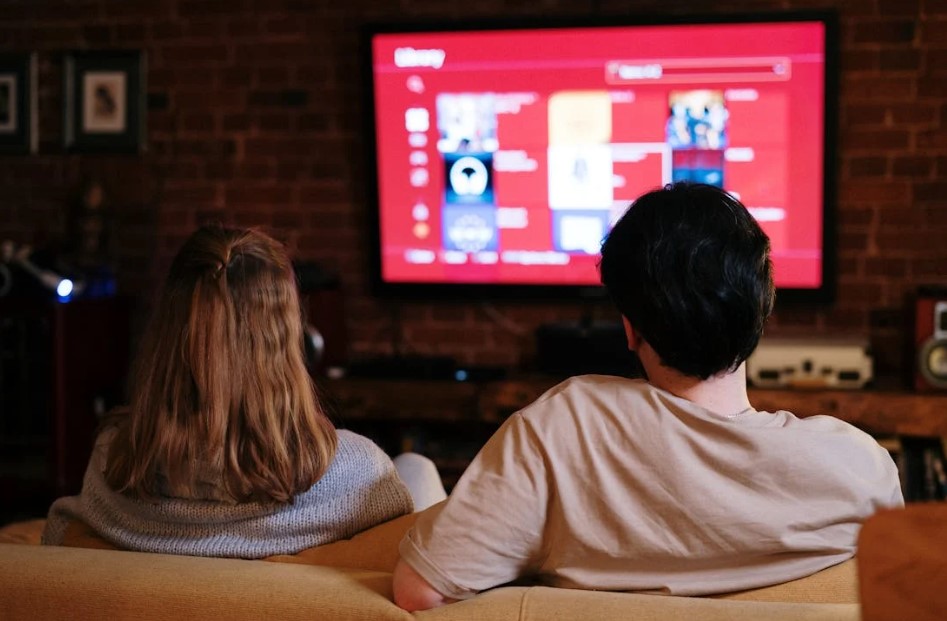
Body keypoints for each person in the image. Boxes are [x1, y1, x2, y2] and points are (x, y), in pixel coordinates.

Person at [392, 182, 904, 611]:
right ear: (762, 310)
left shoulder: (567, 428)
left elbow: (421, 592)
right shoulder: (863, 470)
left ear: (630, 329)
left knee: (412, 468)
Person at [42, 224, 443, 558]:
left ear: (166, 335)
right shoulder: (355, 472)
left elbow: (62, 532)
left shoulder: (112, 459)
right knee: (418, 468)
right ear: (289, 339)